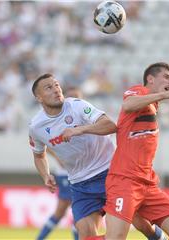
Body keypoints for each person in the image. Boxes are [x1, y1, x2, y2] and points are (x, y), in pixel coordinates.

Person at [104, 62, 169, 240]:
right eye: (166, 77)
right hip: (124, 180)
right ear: (150, 79)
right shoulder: (139, 91)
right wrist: (162, 95)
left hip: (148, 184)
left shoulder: (153, 105)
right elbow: (128, 104)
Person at [29, 73, 117, 240]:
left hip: (109, 172)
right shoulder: (36, 127)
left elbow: (111, 125)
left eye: (56, 85)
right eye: (49, 87)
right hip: (79, 183)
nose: (56, 89)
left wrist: (78, 129)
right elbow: (39, 155)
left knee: (131, 226)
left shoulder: (76, 105)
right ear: (39, 97)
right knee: (85, 234)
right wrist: (45, 175)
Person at [35, 87, 83, 240]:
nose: (75, 100)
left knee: (77, 211)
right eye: (72, 97)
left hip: (81, 171)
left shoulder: (81, 116)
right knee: (68, 210)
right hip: (65, 173)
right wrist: (58, 157)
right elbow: (43, 144)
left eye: (78, 97)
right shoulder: (55, 120)